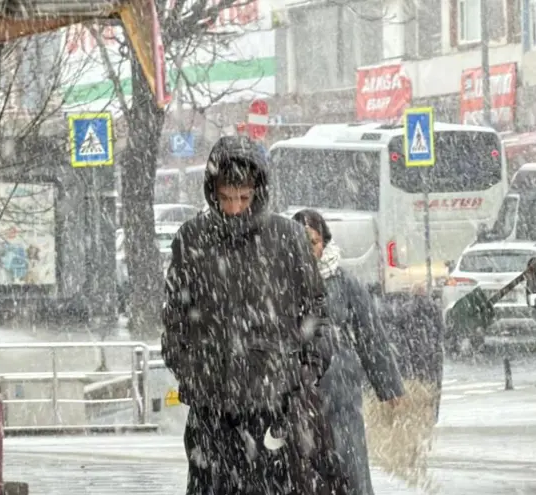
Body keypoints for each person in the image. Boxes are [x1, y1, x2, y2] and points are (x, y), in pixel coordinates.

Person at [161, 136, 346, 494]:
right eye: (226, 198)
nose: (233, 208)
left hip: (277, 409)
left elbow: (317, 315)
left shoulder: (287, 238)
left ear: (257, 192)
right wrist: (192, 372)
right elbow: (175, 321)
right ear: (212, 192)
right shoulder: (192, 240)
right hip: (212, 412)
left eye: (243, 198)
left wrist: (303, 371)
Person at [292, 209, 405, 495]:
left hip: (340, 390)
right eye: (301, 243)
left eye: (314, 242)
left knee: (350, 465)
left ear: (324, 243)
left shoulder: (343, 282)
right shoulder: (282, 283)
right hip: (297, 393)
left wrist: (389, 387)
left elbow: (370, 334)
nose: (309, 250)